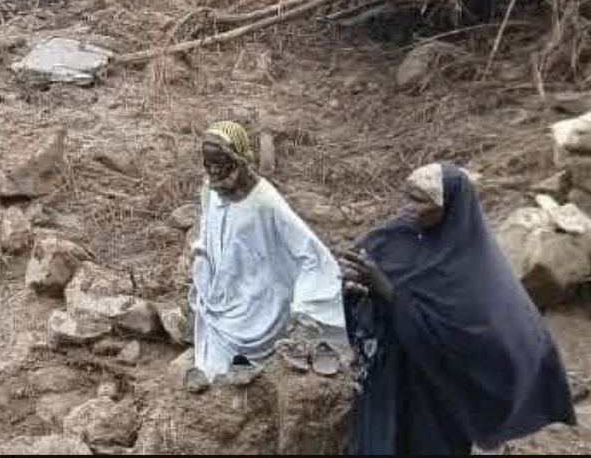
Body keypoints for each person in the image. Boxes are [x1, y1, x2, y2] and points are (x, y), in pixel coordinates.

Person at [341, 163, 575, 455]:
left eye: (421, 201)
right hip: (393, 371)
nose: (409, 208)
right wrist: (356, 288)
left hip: (439, 389)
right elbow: (361, 263)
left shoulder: (472, 265)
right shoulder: (397, 232)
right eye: (408, 197)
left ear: (449, 208)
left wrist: (386, 289)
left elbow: (468, 334)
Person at [191, 120, 346, 378]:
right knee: (213, 368)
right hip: (223, 294)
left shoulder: (265, 202)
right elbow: (210, 227)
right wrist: (202, 252)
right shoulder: (211, 189)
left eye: (220, 165)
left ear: (238, 160)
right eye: (208, 165)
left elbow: (310, 253)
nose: (213, 172)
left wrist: (305, 307)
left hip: (260, 303)